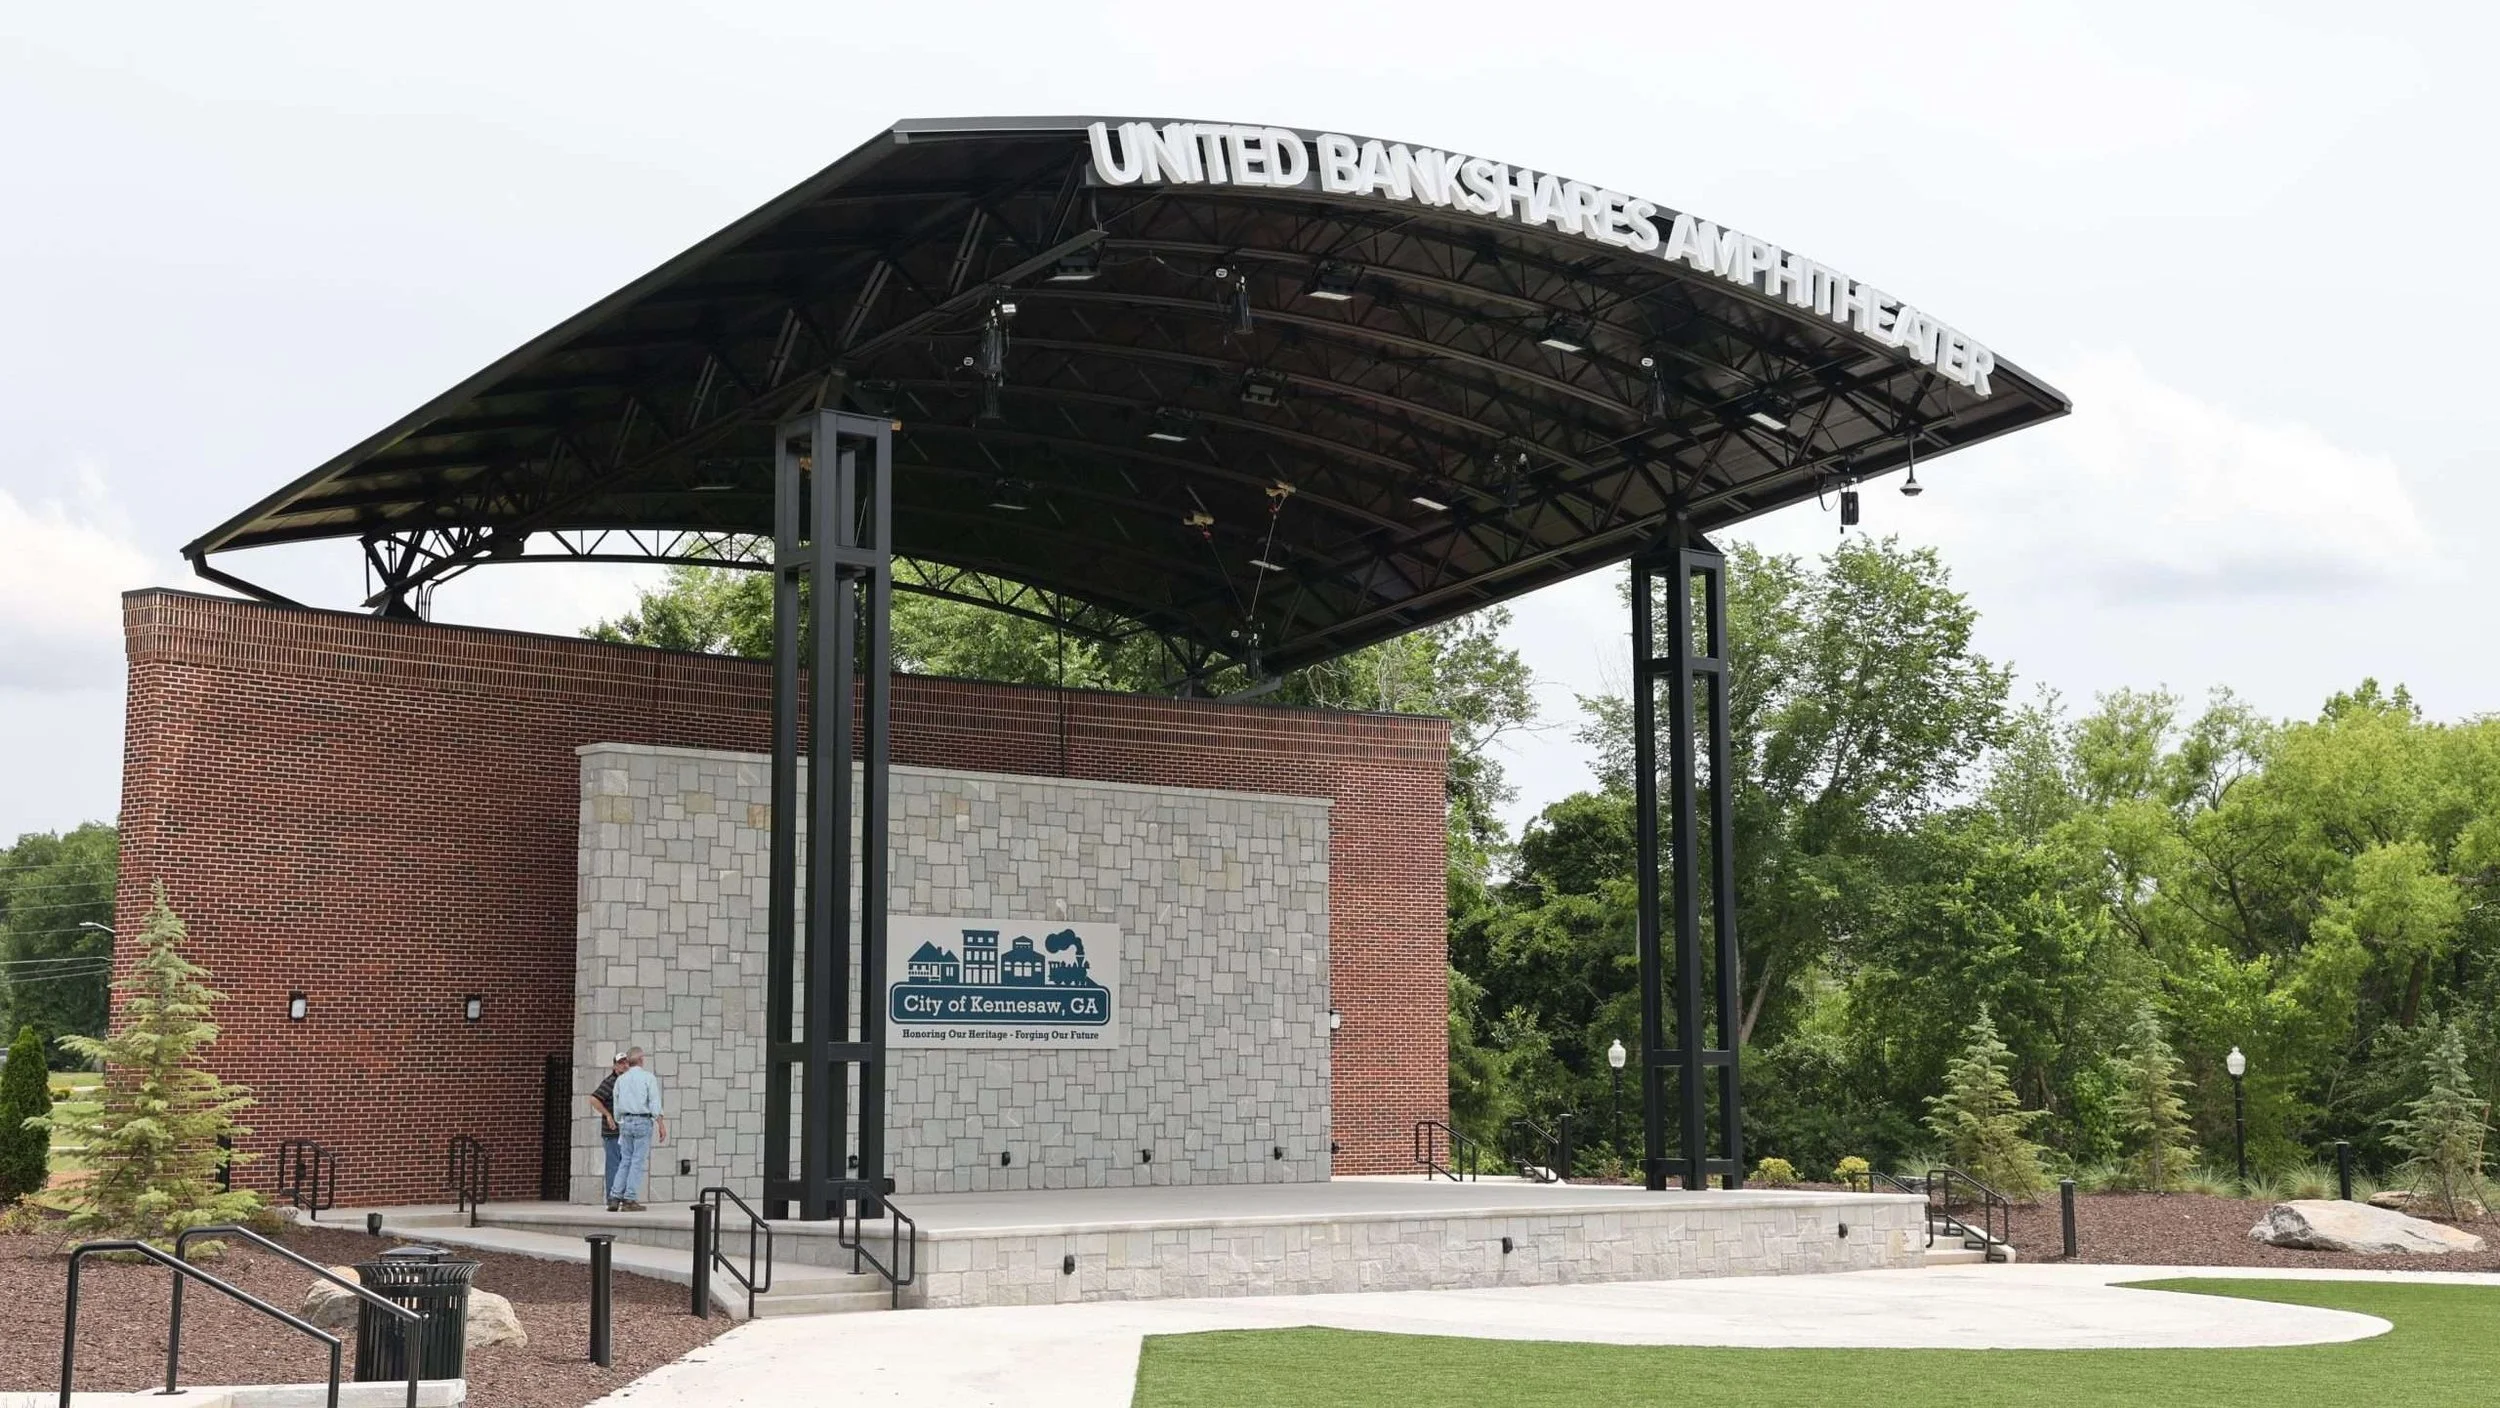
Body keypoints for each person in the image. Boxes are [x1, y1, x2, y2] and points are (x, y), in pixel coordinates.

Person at [607, 1045, 667, 1212]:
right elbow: (654, 1103)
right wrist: (660, 1123)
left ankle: (614, 1196)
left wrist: (619, 1121)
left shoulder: (621, 1079)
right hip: (642, 1120)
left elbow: (617, 1104)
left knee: (625, 1160)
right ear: (641, 1060)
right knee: (637, 1161)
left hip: (625, 1121)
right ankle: (630, 1198)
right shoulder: (648, 1078)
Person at [588, 1052, 628, 1205]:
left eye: (626, 1063)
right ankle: (612, 1197)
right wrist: (608, 1115)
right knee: (614, 1164)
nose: (624, 1065)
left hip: (625, 1131)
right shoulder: (610, 1082)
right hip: (612, 1132)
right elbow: (594, 1099)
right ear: (615, 1066)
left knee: (625, 1163)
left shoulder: (627, 1082)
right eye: (621, 1063)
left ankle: (623, 1196)